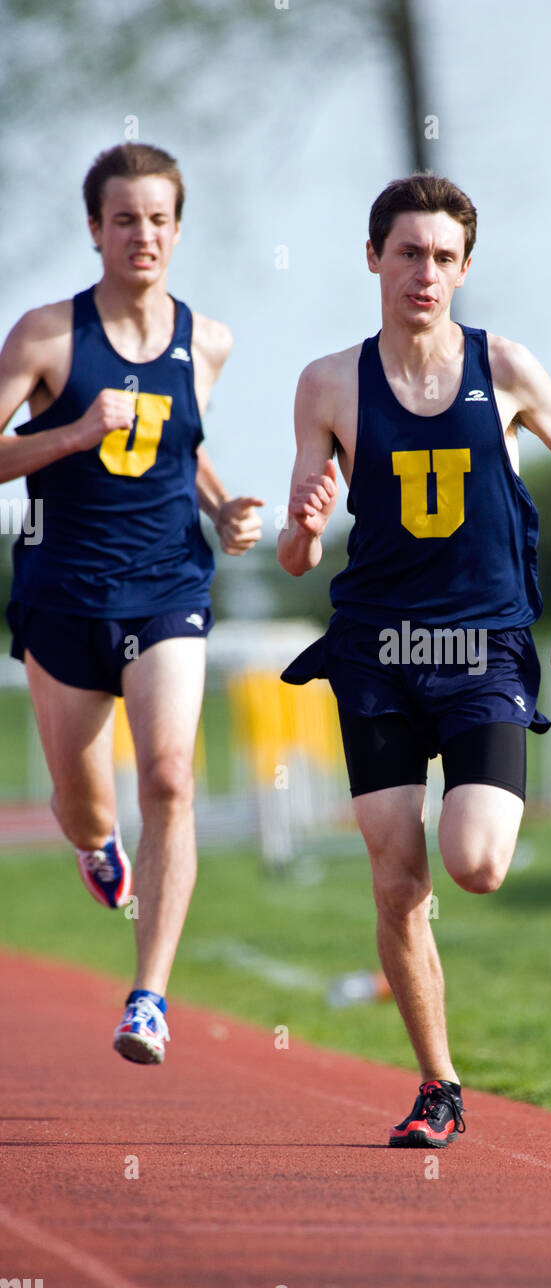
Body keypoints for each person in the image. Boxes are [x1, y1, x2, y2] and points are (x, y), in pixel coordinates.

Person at [278, 173, 551, 1146]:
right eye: (407, 252)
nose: (423, 272)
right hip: (377, 648)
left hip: (481, 648)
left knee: (472, 863)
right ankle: (439, 1084)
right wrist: (301, 531)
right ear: (372, 256)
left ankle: (433, 1043)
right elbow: (299, 548)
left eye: (442, 257)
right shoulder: (327, 383)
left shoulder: (501, 365)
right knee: (395, 877)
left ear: (464, 270)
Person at [0, 143, 263, 1063]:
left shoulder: (209, 340)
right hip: (62, 593)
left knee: (170, 778)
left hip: (167, 588)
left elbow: (176, 445)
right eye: (124, 219)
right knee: (88, 808)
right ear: (95, 230)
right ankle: (95, 845)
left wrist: (222, 506)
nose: (141, 235)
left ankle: (148, 998)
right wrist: (72, 433)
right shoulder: (45, 336)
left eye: (157, 219)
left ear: (177, 230)